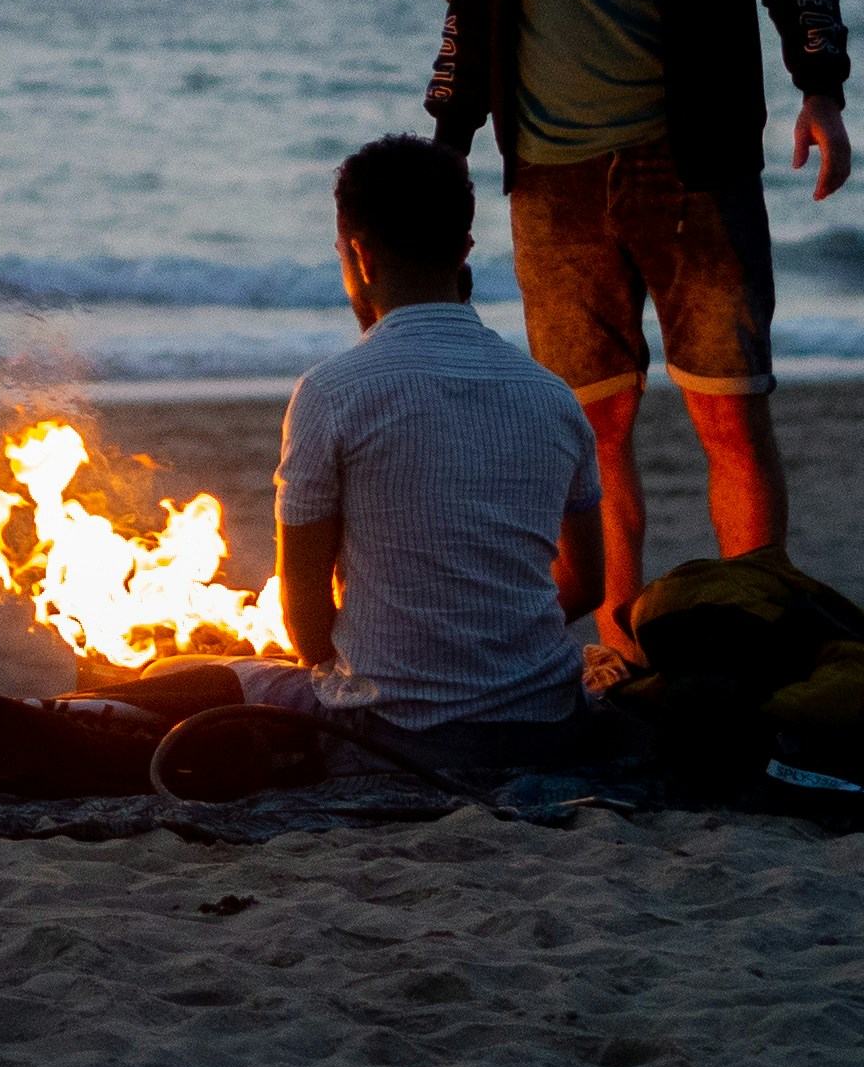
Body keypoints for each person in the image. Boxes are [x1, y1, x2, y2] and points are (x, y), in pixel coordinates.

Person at [427, 0, 852, 673]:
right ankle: (622, 633)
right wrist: (450, 140)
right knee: (588, 432)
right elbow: (467, 2)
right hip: (551, 179)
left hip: (690, 161)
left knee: (728, 411)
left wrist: (822, 88)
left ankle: (756, 623)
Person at [74, 135, 611, 787]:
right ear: (465, 250)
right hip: (548, 727)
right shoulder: (553, 398)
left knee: (190, 675)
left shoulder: (331, 393)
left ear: (358, 254)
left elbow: (306, 625)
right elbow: (587, 583)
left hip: (392, 736)